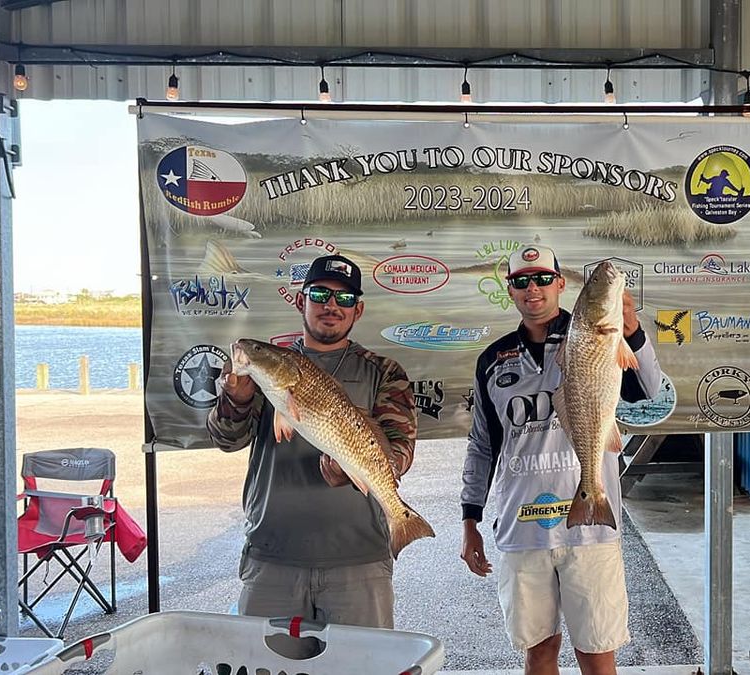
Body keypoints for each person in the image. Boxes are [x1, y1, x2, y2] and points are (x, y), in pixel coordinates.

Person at [460, 245, 661, 675]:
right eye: (521, 281)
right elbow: (482, 445)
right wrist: (469, 520)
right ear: (511, 291)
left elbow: (648, 393)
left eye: (542, 279)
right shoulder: (492, 360)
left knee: (598, 652)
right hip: (521, 527)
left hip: (590, 529)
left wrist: (633, 331)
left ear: (560, 284)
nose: (533, 289)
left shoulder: (595, 335)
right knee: (539, 652)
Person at [208, 254, 417, 640]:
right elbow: (226, 439)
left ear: (359, 309)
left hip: (359, 560)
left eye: (345, 299)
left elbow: (400, 448)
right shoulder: (266, 368)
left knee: (362, 669)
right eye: (320, 294)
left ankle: (402, 520)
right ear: (301, 301)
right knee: (264, 665)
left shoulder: (384, 371)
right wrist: (236, 399)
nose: (331, 306)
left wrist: (351, 470)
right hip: (273, 555)